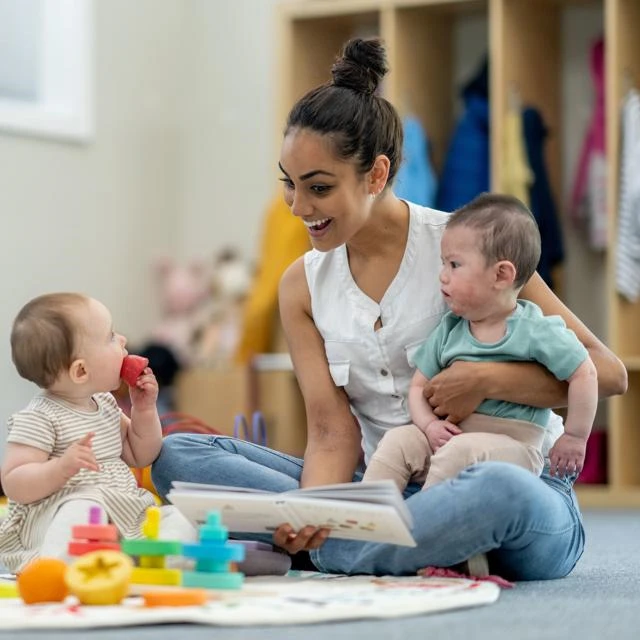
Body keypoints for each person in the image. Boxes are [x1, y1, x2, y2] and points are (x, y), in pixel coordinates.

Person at [151, 37, 627, 580]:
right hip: (381, 482)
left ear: (376, 175)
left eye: (319, 188)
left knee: (498, 491)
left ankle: (347, 549)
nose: (298, 208)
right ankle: (377, 538)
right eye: (289, 185)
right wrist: (314, 509)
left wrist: (486, 379)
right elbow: (332, 433)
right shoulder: (300, 286)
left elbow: (608, 373)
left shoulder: (466, 247)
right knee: (178, 457)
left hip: (510, 481)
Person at [362, 193, 598, 495]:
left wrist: (576, 436)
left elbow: (585, 373)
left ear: (501, 275)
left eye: (454, 265)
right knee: (398, 441)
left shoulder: (537, 329)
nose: (442, 276)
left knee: (458, 451)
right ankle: (368, 519)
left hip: (517, 448)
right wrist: (429, 425)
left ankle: (425, 528)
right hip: (453, 438)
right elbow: (418, 387)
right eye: (443, 263)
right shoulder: (449, 330)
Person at [0, 293, 196, 573]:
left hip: (125, 513)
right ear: (81, 371)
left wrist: (143, 409)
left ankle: (161, 561)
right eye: (111, 337)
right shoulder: (39, 416)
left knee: (178, 515)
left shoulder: (104, 403)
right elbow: (14, 482)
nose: (123, 340)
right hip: (67, 514)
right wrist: (59, 468)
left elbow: (142, 453)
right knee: (79, 509)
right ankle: (62, 569)